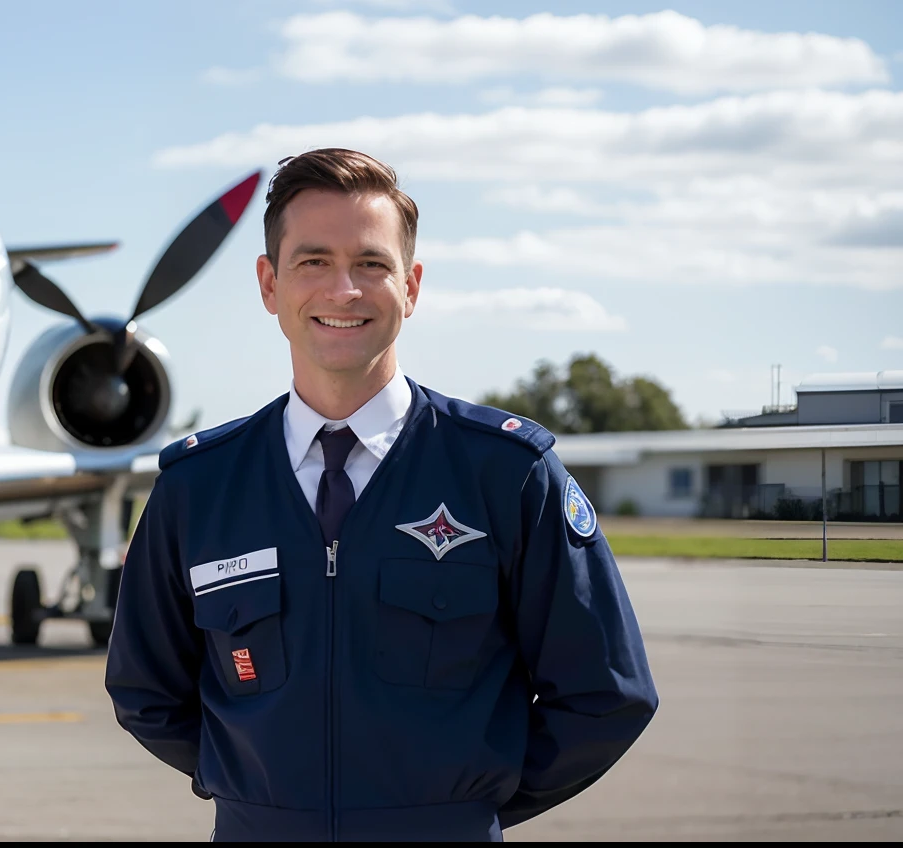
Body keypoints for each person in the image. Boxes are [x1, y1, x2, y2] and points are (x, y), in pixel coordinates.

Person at [105, 148, 657, 842]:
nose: (344, 291)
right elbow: (145, 691)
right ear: (269, 284)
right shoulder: (199, 486)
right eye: (314, 262)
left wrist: (462, 807)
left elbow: (607, 695)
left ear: (412, 285)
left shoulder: (507, 473)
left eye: (371, 264)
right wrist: (258, 791)